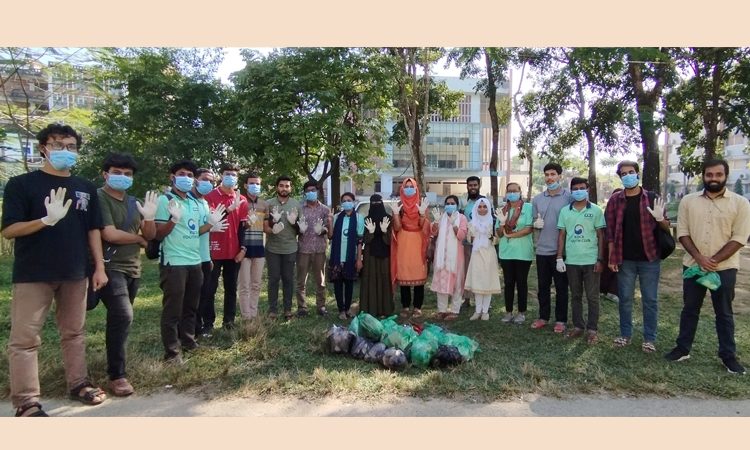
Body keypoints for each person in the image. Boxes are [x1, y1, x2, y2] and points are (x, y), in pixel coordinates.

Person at [2, 124, 108, 416]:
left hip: (75, 271)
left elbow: (93, 231)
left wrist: (99, 267)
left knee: (74, 332)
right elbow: (9, 230)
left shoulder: (85, 188)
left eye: (71, 146)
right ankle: (26, 401)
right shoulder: (22, 185)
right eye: (58, 144)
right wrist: (45, 221)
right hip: (33, 273)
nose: (64, 151)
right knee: (25, 340)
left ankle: (78, 383)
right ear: (43, 148)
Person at [665, 159, 750, 375]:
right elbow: (682, 233)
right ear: (703, 176)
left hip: (725, 268)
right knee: (689, 310)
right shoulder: (688, 201)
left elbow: (740, 238)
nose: (714, 178)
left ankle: (728, 356)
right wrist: (699, 258)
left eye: (718, 175)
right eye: (709, 174)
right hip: (694, 266)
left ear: (725, 176)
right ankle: (683, 349)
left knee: (724, 313)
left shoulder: (740, 203)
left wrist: (714, 261)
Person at [96, 153, 158, 397]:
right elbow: (109, 234)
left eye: (128, 174)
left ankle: (114, 363)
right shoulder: (99, 198)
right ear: (106, 174)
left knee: (119, 319)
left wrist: (150, 217)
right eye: (117, 173)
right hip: (109, 266)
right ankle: (118, 375)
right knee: (123, 315)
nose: (123, 177)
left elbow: (150, 235)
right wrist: (139, 238)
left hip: (133, 268)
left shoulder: (133, 202)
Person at [154, 159, 225, 364]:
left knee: (191, 306)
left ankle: (188, 340)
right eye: (182, 174)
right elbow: (157, 234)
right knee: (173, 308)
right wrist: (173, 220)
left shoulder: (194, 203)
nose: (186, 178)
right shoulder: (164, 201)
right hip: (174, 262)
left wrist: (210, 224)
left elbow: (197, 231)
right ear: (173, 177)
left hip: (195, 260)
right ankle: (171, 352)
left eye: (189, 175)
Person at [605, 163, 670, 353]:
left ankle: (649, 338)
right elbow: (610, 233)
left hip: (649, 258)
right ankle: (625, 334)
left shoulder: (651, 198)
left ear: (637, 174)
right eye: (623, 174)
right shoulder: (615, 201)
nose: (627, 176)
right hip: (625, 259)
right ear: (620, 177)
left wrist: (660, 218)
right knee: (625, 298)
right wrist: (611, 257)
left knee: (650, 299)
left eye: (631, 173)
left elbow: (666, 227)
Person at [556, 177, 606, 344]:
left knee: (592, 297)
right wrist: (559, 257)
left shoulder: (597, 211)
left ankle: (592, 330)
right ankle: (578, 326)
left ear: (588, 190)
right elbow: (562, 235)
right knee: (575, 295)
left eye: (582, 188)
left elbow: (600, 236)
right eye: (575, 188)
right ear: (571, 191)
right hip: (572, 261)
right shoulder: (565, 211)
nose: (579, 191)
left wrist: (600, 259)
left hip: (591, 260)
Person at [204, 163, 248, 329]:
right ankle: (208, 323)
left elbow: (242, 228)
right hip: (213, 250)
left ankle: (229, 321)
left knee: (231, 289)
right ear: (221, 176)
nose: (231, 177)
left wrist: (243, 249)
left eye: (234, 175)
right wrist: (229, 209)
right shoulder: (210, 196)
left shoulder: (241, 199)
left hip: (234, 251)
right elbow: (210, 220)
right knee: (210, 289)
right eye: (227, 174)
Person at [531, 162, 573, 333]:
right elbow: (533, 221)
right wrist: (536, 224)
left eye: (553, 174)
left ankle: (561, 320)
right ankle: (543, 317)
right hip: (542, 250)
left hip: (561, 252)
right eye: (547, 175)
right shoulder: (538, 199)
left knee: (562, 287)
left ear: (560, 176)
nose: (549, 178)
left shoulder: (569, 197)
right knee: (543, 286)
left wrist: (562, 253)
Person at [390, 178, 430, 318]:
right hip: (403, 242)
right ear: (402, 189)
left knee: (418, 273)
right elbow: (397, 227)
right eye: (406, 186)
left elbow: (423, 226)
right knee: (404, 273)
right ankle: (405, 306)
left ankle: (418, 307)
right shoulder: (399, 205)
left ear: (415, 188)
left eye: (411, 186)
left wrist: (423, 214)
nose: (408, 189)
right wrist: (395, 213)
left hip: (418, 242)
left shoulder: (421, 204)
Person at [191, 168, 224, 338]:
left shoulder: (204, 202)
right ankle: (190, 332)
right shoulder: (187, 201)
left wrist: (208, 256)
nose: (208, 183)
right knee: (193, 297)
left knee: (203, 294)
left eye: (211, 181)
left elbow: (205, 233)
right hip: (190, 257)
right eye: (204, 179)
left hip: (204, 256)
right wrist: (211, 224)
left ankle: (198, 329)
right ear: (196, 180)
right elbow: (192, 231)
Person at [264, 175, 302, 320]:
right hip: (272, 248)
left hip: (290, 248)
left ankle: (287, 310)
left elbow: (300, 229)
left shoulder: (296, 204)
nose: (284, 188)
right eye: (281, 185)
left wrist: (294, 223)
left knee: (288, 279)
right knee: (273, 279)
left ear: (290, 188)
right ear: (277, 187)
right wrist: (274, 222)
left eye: (287, 186)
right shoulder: (269, 203)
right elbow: (266, 226)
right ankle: (273, 311)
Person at [496, 182, 534, 325]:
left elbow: (529, 229)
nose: (512, 193)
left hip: (523, 252)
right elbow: (499, 234)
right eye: (509, 191)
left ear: (520, 192)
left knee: (522, 283)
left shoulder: (528, 208)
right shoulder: (502, 210)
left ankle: (521, 313)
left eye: (515, 190)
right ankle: (508, 312)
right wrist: (501, 223)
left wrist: (510, 235)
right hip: (506, 253)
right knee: (509, 283)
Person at [429, 195, 468, 321]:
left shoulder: (461, 218)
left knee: (457, 284)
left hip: (456, 256)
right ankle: (442, 310)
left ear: (457, 205)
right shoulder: (441, 218)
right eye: (447, 203)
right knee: (441, 283)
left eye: (452, 203)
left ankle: (455, 310)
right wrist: (435, 221)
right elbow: (433, 232)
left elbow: (462, 235)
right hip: (441, 257)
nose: (449, 205)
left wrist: (454, 225)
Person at [296, 180, 331, 317]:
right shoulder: (300, 208)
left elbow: (328, 228)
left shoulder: (325, 209)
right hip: (303, 248)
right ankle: (302, 307)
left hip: (319, 249)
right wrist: (299, 229)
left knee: (320, 281)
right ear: (305, 193)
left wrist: (322, 230)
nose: (311, 193)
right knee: (301, 281)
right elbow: (295, 227)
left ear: (317, 192)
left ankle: (321, 306)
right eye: (308, 191)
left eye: (313, 190)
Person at [237, 173, 269, 320]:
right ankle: (246, 316)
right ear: (245, 185)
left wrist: (275, 227)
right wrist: (245, 224)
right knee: (244, 285)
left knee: (256, 284)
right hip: (243, 248)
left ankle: (253, 314)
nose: (255, 186)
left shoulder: (264, 205)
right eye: (252, 183)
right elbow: (236, 226)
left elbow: (266, 228)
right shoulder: (240, 202)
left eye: (257, 183)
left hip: (259, 248)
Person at [328, 192, 365, 320]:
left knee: (349, 284)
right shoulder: (337, 217)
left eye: (349, 200)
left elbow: (360, 240)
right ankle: (341, 310)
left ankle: (348, 308)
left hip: (351, 257)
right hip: (337, 256)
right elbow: (330, 236)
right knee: (338, 284)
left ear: (354, 202)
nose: (346, 202)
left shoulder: (359, 218)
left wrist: (359, 259)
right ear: (341, 203)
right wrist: (330, 221)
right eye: (344, 200)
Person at [464, 198, 501, 320]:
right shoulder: (472, 222)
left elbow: (497, 241)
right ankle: (477, 310)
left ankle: (485, 311)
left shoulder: (493, 222)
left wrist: (491, 235)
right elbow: (469, 240)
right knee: (477, 280)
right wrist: (472, 234)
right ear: (476, 209)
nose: (482, 209)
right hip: (476, 254)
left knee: (488, 280)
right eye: (479, 207)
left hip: (489, 254)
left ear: (488, 208)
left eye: (485, 206)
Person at [360, 194, 394, 317]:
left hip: (385, 255)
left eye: (378, 202)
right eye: (373, 203)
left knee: (384, 280)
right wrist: (371, 233)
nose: (376, 205)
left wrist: (385, 231)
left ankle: (385, 310)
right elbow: (364, 240)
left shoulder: (389, 219)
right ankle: (370, 309)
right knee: (371, 280)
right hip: (370, 255)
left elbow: (391, 241)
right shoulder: (366, 220)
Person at [460, 176, 484, 310]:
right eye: (470, 185)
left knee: (481, 271)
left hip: (480, 242)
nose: (472, 187)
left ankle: (482, 299)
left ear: (479, 186)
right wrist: (462, 208)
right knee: (466, 270)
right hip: (466, 243)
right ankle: (467, 299)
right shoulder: (463, 201)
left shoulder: (484, 201)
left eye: (475, 185)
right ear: (467, 186)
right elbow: (458, 220)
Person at [599, 188, 621, 304]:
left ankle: (612, 291)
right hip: (609, 242)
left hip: (620, 244)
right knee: (608, 269)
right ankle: (607, 290)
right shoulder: (610, 209)